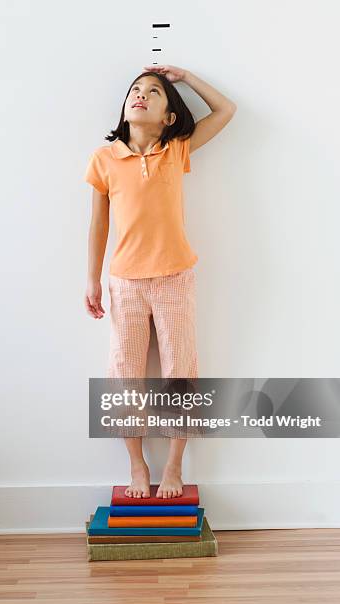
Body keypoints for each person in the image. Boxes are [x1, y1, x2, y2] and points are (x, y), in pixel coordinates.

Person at [84, 65, 236, 500]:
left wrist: (185, 78)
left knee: (180, 373)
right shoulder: (104, 159)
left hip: (174, 278)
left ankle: (173, 466)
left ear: (169, 117)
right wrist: (92, 279)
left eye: (153, 92)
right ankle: (137, 464)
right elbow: (98, 224)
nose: (141, 95)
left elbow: (226, 110)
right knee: (123, 375)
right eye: (135, 89)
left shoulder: (177, 149)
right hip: (125, 282)